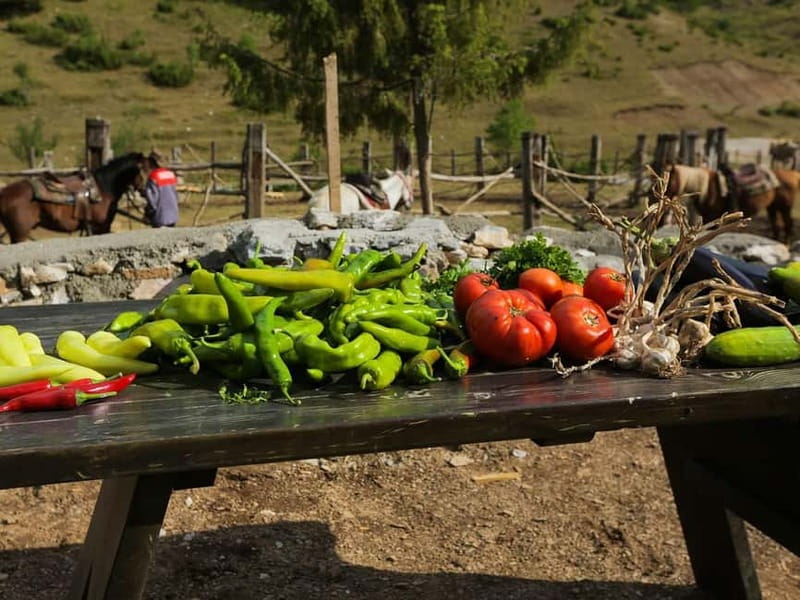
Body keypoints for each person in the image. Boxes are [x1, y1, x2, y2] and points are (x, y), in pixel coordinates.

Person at [143, 151, 179, 227]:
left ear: (151, 163)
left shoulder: (153, 176)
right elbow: (175, 195)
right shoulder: (171, 174)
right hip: (173, 215)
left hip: (160, 217)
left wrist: (147, 215)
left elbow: (152, 201)